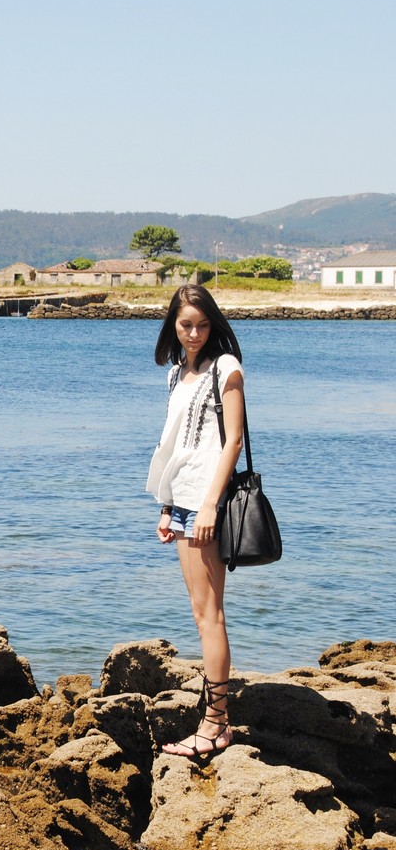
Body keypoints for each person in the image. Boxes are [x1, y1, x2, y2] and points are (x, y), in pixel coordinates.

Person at [146, 283, 244, 758]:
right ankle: (214, 718)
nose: (194, 333)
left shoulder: (226, 367)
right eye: (186, 325)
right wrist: (167, 506)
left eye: (203, 325)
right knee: (200, 611)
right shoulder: (175, 374)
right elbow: (173, 446)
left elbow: (233, 442)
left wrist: (209, 504)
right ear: (173, 324)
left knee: (210, 614)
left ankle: (216, 724)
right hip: (182, 500)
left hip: (208, 503)